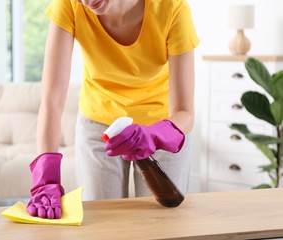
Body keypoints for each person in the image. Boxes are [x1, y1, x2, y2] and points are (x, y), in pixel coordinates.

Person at [26, 0, 199, 219]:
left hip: (161, 126)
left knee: (163, 222)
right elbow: (51, 101)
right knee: (102, 221)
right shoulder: (69, 4)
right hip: (99, 124)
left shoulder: (173, 9)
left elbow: (186, 112)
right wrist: (46, 179)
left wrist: (154, 135)